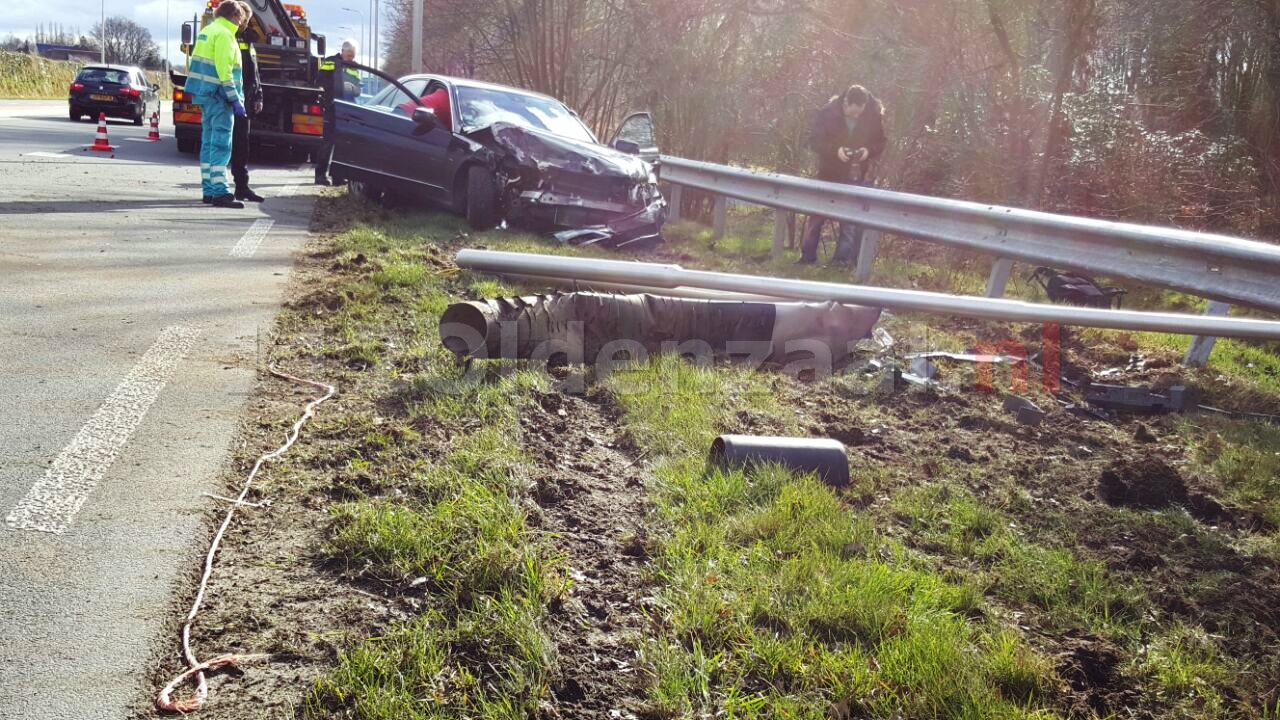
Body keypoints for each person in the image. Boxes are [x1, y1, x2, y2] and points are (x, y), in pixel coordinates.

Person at [798, 84, 887, 265]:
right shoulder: (828, 113)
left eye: (859, 114)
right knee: (816, 217)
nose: (856, 116)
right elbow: (814, 140)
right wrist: (835, 151)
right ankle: (807, 257)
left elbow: (880, 142)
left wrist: (867, 151)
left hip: (855, 174)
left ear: (864, 106)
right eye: (853, 113)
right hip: (828, 172)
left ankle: (841, 261)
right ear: (846, 103)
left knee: (849, 220)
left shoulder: (873, 114)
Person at [186, 0, 250, 208]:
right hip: (219, 96)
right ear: (234, 16)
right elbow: (225, 72)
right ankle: (220, 191)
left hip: (205, 94)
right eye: (240, 18)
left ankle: (209, 188)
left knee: (208, 141)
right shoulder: (224, 35)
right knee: (221, 143)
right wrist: (235, 99)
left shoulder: (208, 30)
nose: (242, 23)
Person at [314, 40, 361, 186]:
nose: (351, 58)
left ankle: (338, 176)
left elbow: (357, 88)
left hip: (347, 109)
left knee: (342, 143)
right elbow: (320, 80)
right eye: (349, 55)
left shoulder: (354, 67)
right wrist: (333, 90)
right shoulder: (331, 62)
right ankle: (320, 175)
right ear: (342, 51)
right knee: (328, 142)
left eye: (353, 55)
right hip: (332, 107)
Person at [231, 25, 265, 203]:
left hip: (246, 100)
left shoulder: (248, 41)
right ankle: (216, 188)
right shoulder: (230, 36)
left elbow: (255, 72)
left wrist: (259, 95)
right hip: (233, 98)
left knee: (242, 146)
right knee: (225, 146)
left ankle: (242, 188)